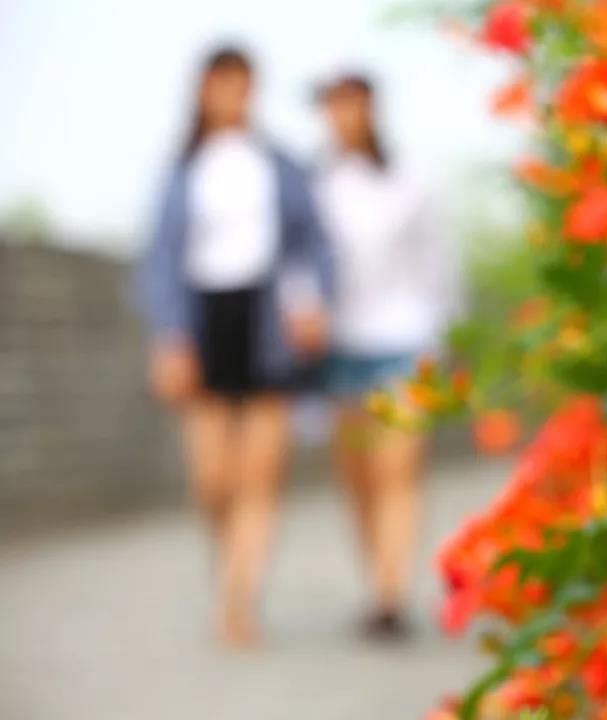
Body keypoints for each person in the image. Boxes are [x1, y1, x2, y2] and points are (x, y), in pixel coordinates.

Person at [137, 46, 333, 647]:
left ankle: (239, 599)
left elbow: (312, 245)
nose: (231, 96)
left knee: (260, 474)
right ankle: (229, 571)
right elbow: (161, 260)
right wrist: (169, 338)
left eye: (242, 85)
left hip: (268, 320)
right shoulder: (181, 169)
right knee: (211, 476)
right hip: (204, 319)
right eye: (220, 85)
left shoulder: (281, 166)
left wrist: (310, 301)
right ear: (202, 90)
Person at [315, 73, 461, 639]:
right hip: (341, 346)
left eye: (351, 102)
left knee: (396, 468)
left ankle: (390, 594)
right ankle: (378, 578)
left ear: (372, 108)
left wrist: (442, 337)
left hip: (406, 341)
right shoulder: (316, 186)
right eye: (334, 103)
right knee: (358, 475)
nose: (343, 114)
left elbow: (439, 263)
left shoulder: (409, 181)